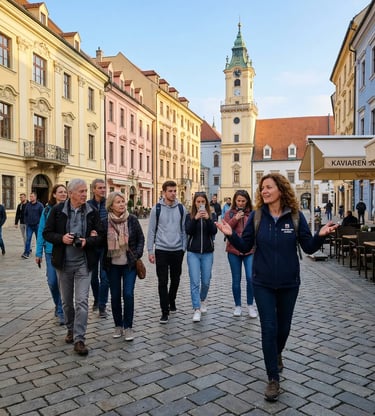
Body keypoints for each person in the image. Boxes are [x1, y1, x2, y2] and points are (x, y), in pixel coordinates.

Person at [216, 173, 338, 402]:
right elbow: (245, 246)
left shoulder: (294, 216)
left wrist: (320, 236)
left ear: (280, 190)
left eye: (268, 187)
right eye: (262, 188)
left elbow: (309, 247)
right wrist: (231, 235)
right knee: (268, 328)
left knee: (283, 328)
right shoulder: (257, 216)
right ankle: (273, 378)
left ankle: (276, 352)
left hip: (289, 282)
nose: (264, 191)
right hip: (262, 282)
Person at [43, 178, 104, 356]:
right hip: (63, 263)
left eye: (86, 191)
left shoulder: (92, 211)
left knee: (82, 302)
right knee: (67, 303)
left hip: (84, 263)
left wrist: (88, 240)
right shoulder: (57, 210)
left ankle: (80, 339)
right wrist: (61, 238)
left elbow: (101, 236)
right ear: (71, 194)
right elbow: (47, 233)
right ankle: (70, 329)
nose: (85, 194)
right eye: (81, 191)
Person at [105, 192, 144, 340]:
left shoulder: (132, 219)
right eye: (118, 202)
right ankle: (118, 325)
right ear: (111, 205)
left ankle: (128, 327)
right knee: (115, 296)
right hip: (112, 265)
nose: (121, 204)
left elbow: (141, 238)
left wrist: (138, 254)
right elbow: (101, 243)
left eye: (123, 201)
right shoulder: (105, 221)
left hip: (129, 264)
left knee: (128, 294)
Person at [147, 180, 187, 324]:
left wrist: (183, 248)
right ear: (164, 192)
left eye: (175, 191)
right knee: (162, 281)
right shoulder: (156, 209)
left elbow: (184, 231)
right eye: (170, 191)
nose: (173, 193)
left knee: (176, 279)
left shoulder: (182, 208)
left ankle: (172, 300)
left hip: (177, 250)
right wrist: (150, 250)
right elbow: (151, 230)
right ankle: (164, 311)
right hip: (162, 250)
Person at [35, 184, 68, 325]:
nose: (63, 194)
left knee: (64, 284)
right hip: (50, 251)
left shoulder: (70, 208)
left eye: (65, 192)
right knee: (53, 282)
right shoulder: (47, 210)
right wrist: (38, 253)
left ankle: (62, 311)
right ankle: (58, 305)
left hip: (66, 250)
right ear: (54, 194)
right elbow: (42, 230)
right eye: (60, 192)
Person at [224, 190, 257, 319]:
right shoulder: (229, 213)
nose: (241, 203)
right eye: (239, 201)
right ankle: (237, 305)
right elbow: (226, 229)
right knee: (236, 279)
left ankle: (250, 305)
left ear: (247, 201)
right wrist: (235, 219)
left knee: (250, 277)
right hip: (233, 250)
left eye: (243, 201)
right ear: (235, 201)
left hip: (249, 250)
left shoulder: (253, 214)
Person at [185, 192, 217, 322]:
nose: (200, 204)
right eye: (198, 202)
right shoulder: (189, 216)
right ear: (194, 203)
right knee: (194, 281)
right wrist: (195, 219)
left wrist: (208, 219)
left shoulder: (212, 215)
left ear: (206, 203)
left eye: (202, 202)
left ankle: (203, 299)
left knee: (206, 281)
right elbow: (188, 231)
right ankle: (196, 308)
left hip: (208, 253)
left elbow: (214, 232)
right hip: (193, 252)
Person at [87, 178, 109, 318]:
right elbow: (85, 222)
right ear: (93, 189)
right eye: (100, 188)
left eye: (104, 188)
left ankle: (102, 306)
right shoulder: (87, 205)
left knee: (105, 277)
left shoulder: (109, 204)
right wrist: (90, 231)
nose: (103, 190)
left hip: (107, 245)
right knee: (93, 277)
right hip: (93, 245)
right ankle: (96, 298)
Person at [22, 192, 44, 259]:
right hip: (29, 226)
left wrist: (40, 224)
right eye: (30, 196)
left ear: (35, 197)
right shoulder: (28, 205)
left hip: (37, 226)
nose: (30, 198)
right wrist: (26, 222)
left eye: (32, 196)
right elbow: (25, 214)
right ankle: (26, 253)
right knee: (28, 239)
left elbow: (43, 215)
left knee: (39, 240)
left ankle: (39, 253)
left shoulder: (40, 205)